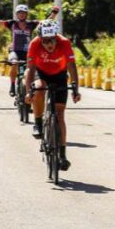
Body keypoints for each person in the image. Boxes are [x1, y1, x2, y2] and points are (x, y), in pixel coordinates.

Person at [24, 19, 81, 171]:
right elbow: (30, 69)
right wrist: (29, 90)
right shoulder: (34, 44)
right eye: (45, 41)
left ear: (56, 37)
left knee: (60, 114)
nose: (49, 44)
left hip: (59, 74)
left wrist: (76, 89)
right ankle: (38, 123)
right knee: (39, 88)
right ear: (40, 39)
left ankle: (62, 155)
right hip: (41, 73)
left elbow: (71, 66)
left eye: (52, 40)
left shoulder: (64, 43)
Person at [0, 5, 59, 96]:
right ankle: (12, 85)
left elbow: (46, 22)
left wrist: (54, 13)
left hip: (28, 51)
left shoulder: (31, 24)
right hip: (15, 51)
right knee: (14, 64)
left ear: (27, 14)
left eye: (23, 13)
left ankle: (30, 90)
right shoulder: (12, 23)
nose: (22, 15)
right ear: (17, 14)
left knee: (31, 71)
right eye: (20, 13)